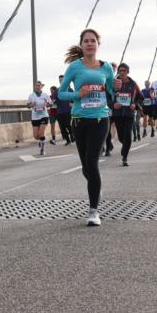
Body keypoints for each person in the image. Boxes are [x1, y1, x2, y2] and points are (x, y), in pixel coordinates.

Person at [57, 29, 116, 226]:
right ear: (81, 45)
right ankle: (96, 187)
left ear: (98, 44)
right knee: (85, 168)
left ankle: (93, 211)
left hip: (100, 120)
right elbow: (61, 94)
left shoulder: (106, 67)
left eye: (93, 41)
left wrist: (114, 85)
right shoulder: (74, 67)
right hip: (79, 121)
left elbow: (110, 90)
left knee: (92, 163)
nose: (90, 44)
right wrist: (78, 94)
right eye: (86, 41)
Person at [111, 63, 140, 166]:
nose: (122, 72)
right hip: (117, 114)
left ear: (128, 72)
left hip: (129, 114)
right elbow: (107, 97)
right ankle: (125, 146)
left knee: (127, 134)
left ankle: (125, 156)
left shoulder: (133, 84)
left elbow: (140, 98)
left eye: (124, 71)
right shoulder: (112, 83)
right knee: (121, 137)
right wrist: (113, 104)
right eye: (120, 70)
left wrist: (134, 105)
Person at [27, 80, 52, 156]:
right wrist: (31, 105)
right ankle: (41, 141)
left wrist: (47, 104)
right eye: (36, 86)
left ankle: (42, 149)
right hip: (35, 117)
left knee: (41, 133)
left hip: (44, 116)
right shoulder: (31, 95)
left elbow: (50, 104)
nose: (37, 87)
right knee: (36, 136)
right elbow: (28, 106)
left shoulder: (45, 95)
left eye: (39, 85)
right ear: (35, 87)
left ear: (41, 87)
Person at [54, 75, 74, 145]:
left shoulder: (70, 90)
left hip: (68, 110)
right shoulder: (57, 90)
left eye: (62, 80)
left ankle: (72, 135)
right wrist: (51, 103)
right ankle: (67, 140)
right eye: (60, 80)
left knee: (68, 124)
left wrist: (72, 103)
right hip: (60, 111)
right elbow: (54, 100)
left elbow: (75, 98)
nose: (61, 81)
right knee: (62, 127)